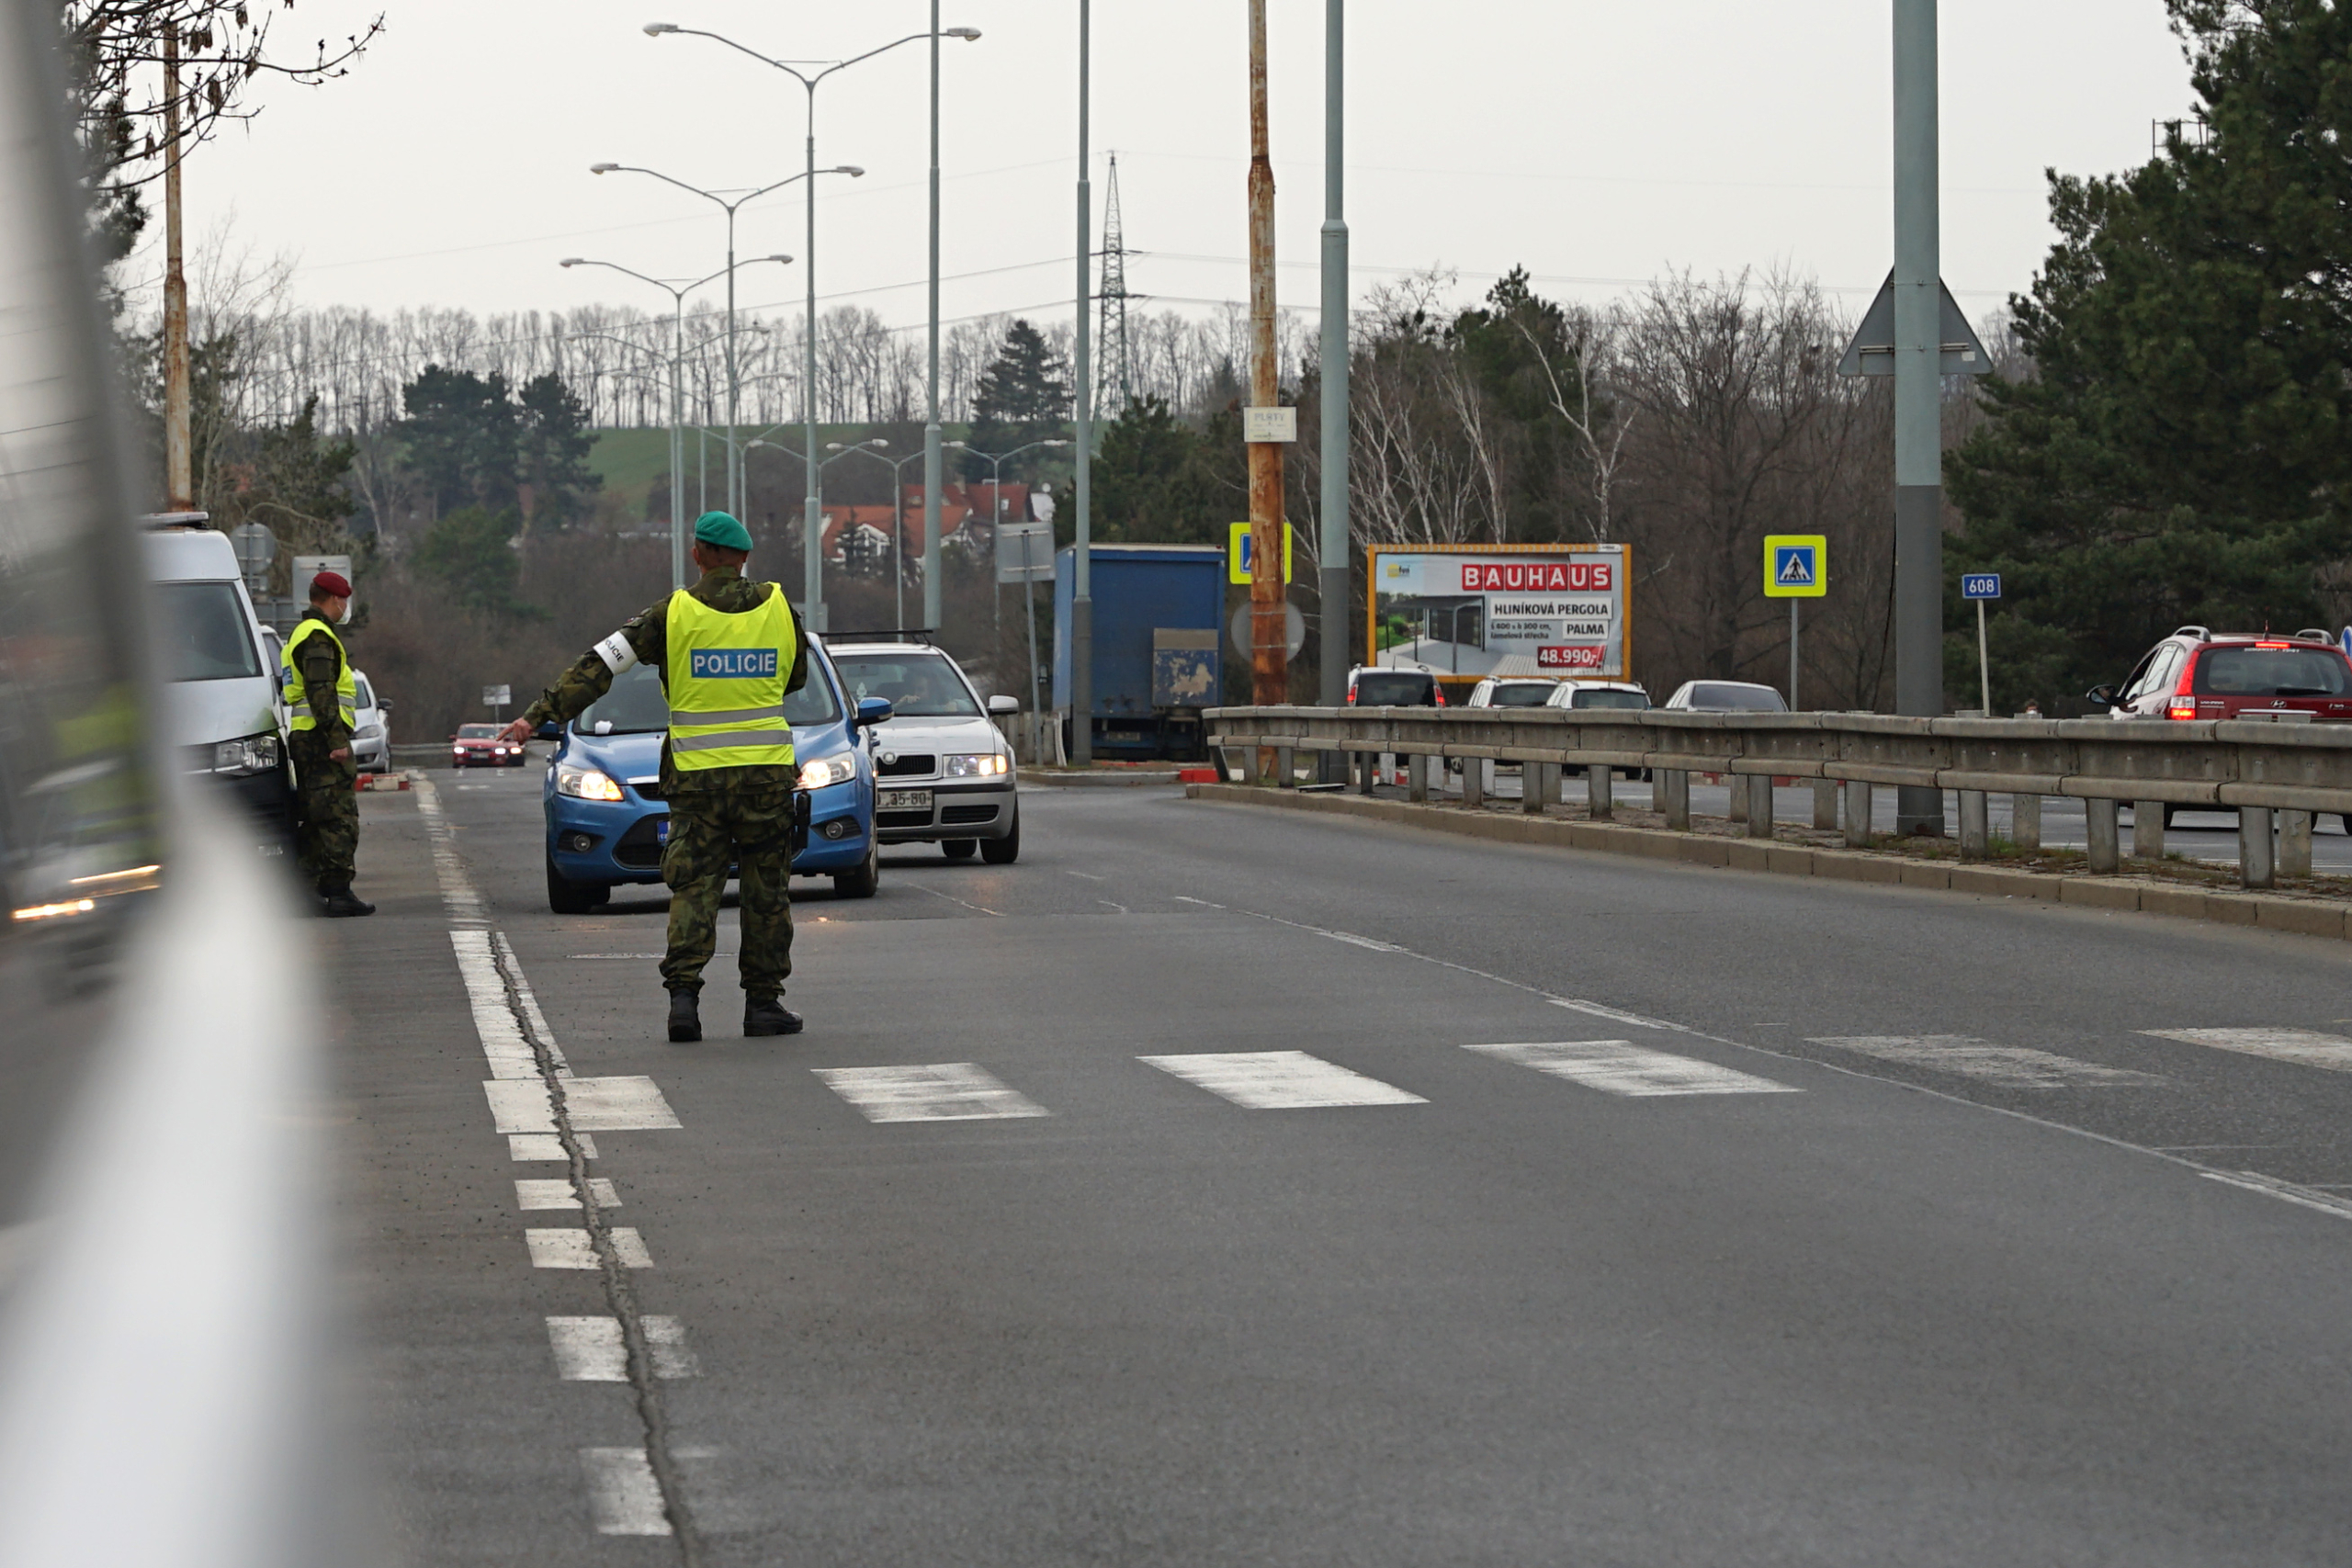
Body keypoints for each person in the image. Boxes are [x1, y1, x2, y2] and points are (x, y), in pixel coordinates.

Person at [501, 512, 808, 1043]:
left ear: (697, 554)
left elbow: (600, 665)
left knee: (694, 887)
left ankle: (684, 1001)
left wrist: (537, 715)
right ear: (744, 558)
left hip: (697, 779)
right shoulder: (780, 608)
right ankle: (763, 1005)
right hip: (765, 778)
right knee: (767, 892)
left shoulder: (672, 614)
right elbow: (796, 677)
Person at [280, 569, 374, 917]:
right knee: (338, 818)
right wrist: (336, 740)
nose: (345, 607)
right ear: (334, 599)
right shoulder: (318, 636)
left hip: (307, 737)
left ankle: (309, 892)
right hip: (321, 740)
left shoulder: (301, 633)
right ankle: (337, 891)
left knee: (317, 817)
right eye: (344, 600)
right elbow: (321, 692)